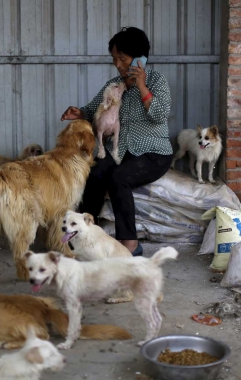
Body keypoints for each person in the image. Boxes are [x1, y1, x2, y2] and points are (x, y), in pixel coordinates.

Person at [60, 27, 173, 257]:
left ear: (140, 58)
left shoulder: (157, 81)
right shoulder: (114, 85)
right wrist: (79, 112)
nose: (118, 65)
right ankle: (85, 234)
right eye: (114, 59)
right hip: (122, 150)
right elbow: (95, 108)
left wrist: (141, 85)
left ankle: (129, 243)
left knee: (119, 177)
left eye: (123, 59)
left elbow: (160, 114)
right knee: (96, 172)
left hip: (154, 152)